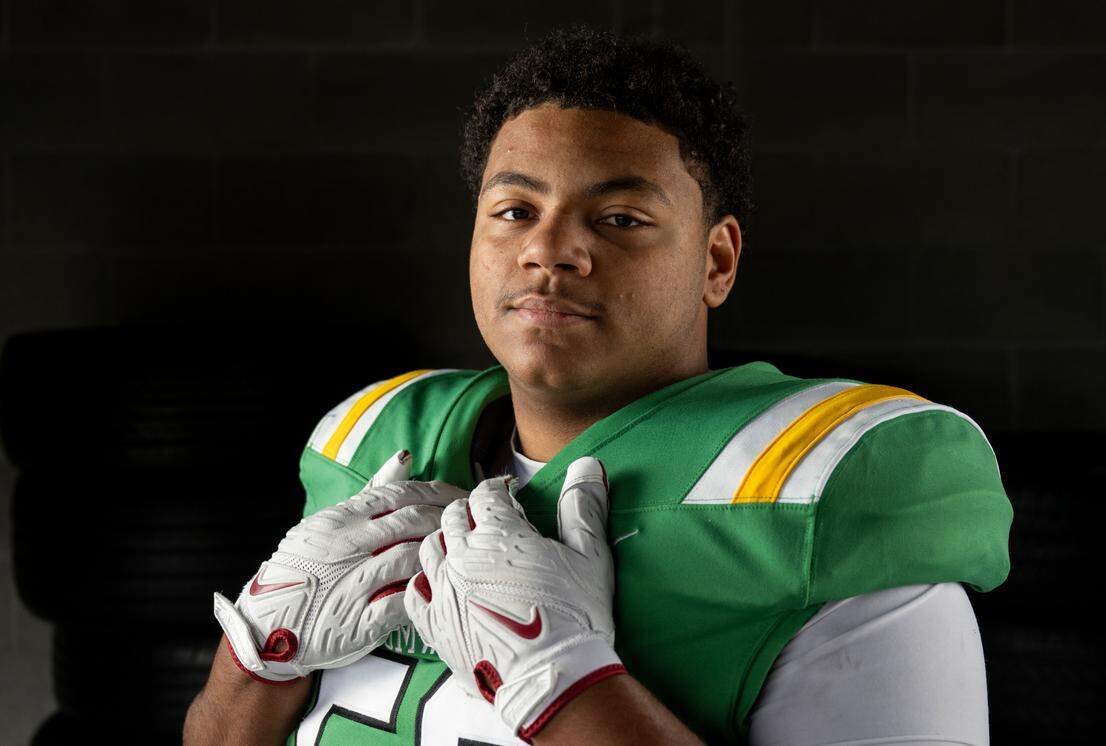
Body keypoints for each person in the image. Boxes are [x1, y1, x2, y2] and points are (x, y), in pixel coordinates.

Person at [185, 24, 1012, 746]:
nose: (551, 252)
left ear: (716, 261)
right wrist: (256, 657)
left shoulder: (811, 507)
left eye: (619, 220)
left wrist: (567, 685)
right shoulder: (374, 452)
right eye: (514, 212)